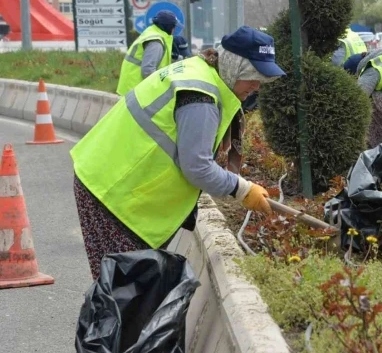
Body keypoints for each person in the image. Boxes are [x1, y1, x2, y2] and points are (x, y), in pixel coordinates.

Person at [71, 26, 285, 279]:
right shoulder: (200, 98)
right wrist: (242, 189)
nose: (256, 86)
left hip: (110, 182)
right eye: (253, 75)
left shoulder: (200, 73)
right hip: (113, 195)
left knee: (124, 293)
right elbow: (197, 167)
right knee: (121, 295)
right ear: (234, 65)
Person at [116, 10, 180, 96]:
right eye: (174, 27)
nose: (174, 30)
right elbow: (148, 70)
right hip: (137, 90)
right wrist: (163, 87)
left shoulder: (152, 32)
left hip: (133, 87)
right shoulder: (156, 42)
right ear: (168, 27)